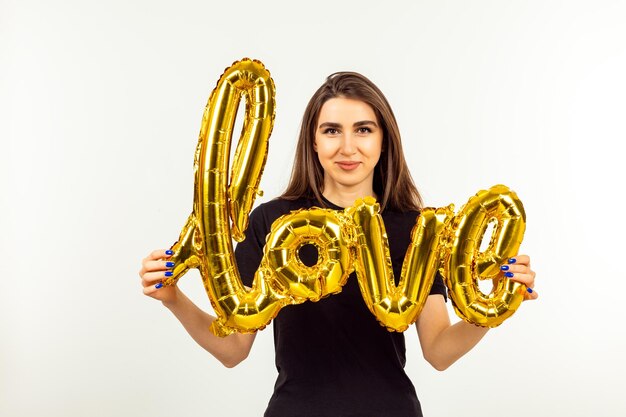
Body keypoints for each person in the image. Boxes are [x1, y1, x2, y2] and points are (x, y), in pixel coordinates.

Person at [139, 72, 538, 417]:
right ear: (313, 141)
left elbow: (438, 350)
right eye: (332, 131)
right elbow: (233, 349)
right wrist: (173, 297)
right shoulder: (270, 221)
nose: (348, 147)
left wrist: (495, 305)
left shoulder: (417, 228)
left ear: (384, 141)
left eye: (363, 129)